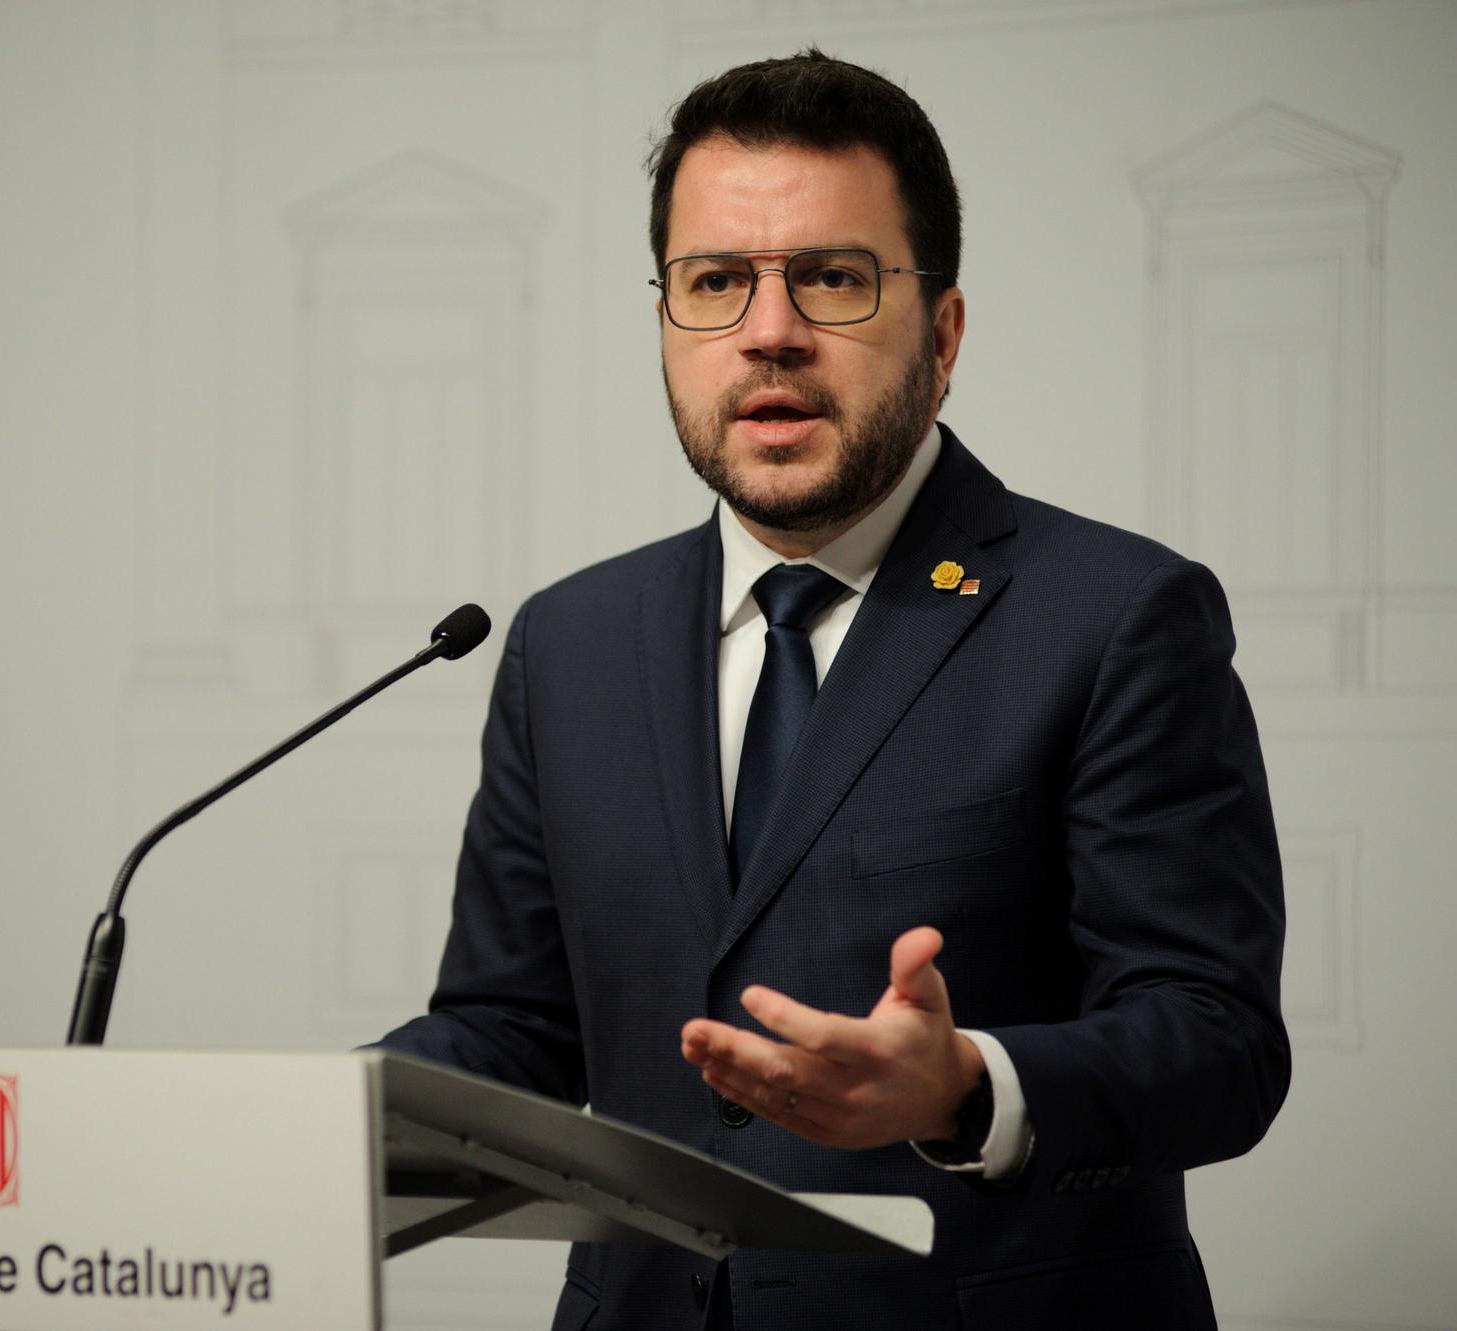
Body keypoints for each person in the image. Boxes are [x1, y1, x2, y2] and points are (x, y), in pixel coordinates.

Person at [380, 49, 1288, 1330]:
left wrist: (965, 1083)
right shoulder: (565, 643)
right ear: (664, 323)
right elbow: (510, 1032)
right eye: (714, 282)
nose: (768, 329)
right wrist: (299, 1138)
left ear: (943, 329)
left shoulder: (1115, 617)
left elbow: (1216, 1042)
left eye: (832, 276)